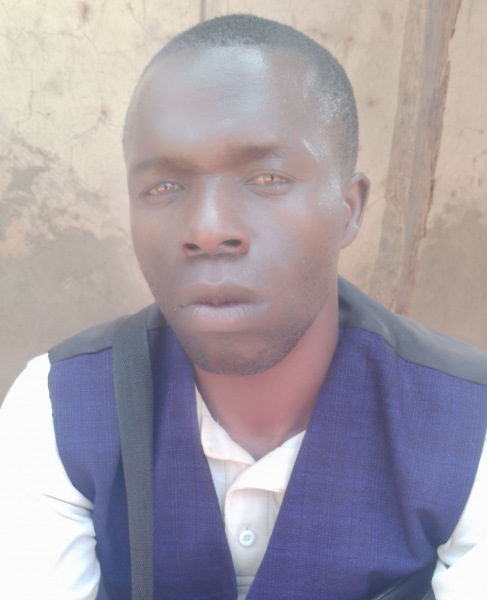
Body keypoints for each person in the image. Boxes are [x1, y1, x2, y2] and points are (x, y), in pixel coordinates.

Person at [0, 14, 486, 600]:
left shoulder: (468, 425)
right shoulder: (56, 410)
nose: (208, 229)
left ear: (349, 209)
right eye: (163, 187)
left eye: (267, 177)